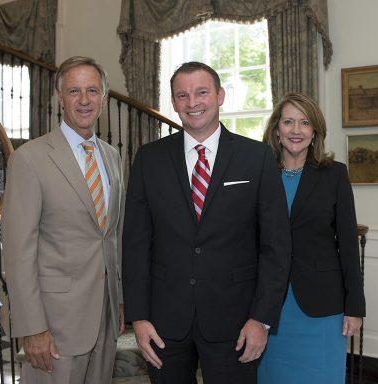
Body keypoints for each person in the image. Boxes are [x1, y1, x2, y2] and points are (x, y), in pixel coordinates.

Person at [122, 61, 292, 384]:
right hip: (164, 324)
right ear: (173, 103)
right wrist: (138, 317)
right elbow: (135, 244)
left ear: (220, 96)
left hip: (237, 323)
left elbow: (277, 247)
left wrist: (262, 319)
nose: (192, 102)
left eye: (201, 92)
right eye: (182, 95)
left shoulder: (256, 158)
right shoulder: (148, 159)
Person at [2, 56, 125, 384]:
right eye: (74, 91)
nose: (84, 100)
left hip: (106, 316)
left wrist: (121, 299)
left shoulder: (112, 156)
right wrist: (32, 328)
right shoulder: (29, 159)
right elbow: (18, 252)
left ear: (105, 97)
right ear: (60, 98)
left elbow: (113, 236)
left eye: (92, 90)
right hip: (56, 326)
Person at [258, 93, 366, 384]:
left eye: (305, 123)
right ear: (276, 129)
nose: (296, 130)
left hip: (322, 307)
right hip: (269, 307)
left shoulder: (334, 175)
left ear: (315, 131)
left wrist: (355, 307)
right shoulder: (260, 174)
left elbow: (347, 244)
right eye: (288, 122)